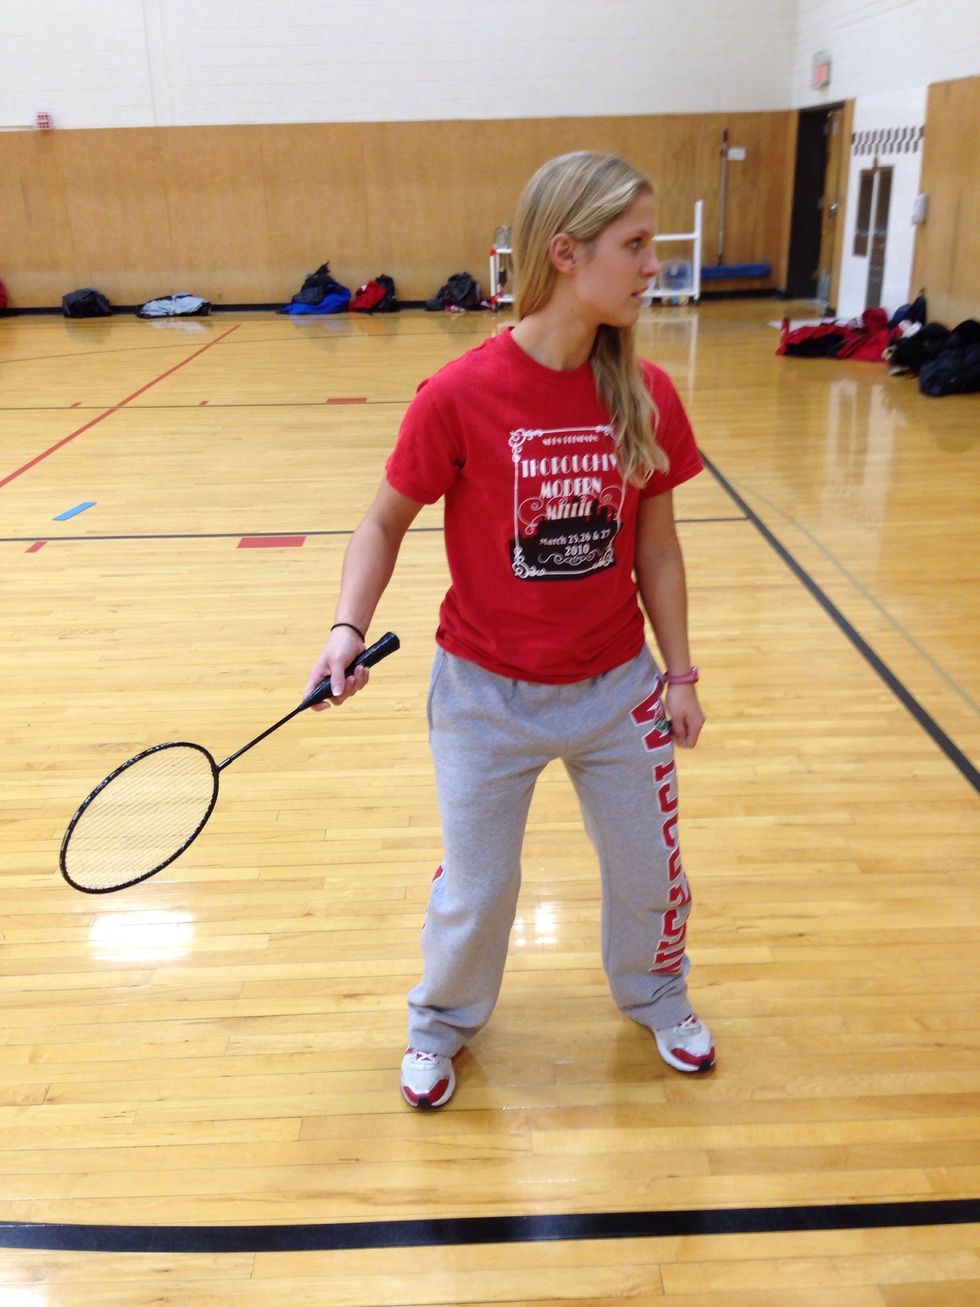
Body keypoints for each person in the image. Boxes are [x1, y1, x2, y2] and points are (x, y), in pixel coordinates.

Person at [304, 151, 714, 1110]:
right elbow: (381, 521)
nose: (655, 264)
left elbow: (657, 551)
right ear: (566, 253)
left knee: (653, 871)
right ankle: (439, 1022)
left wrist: (681, 674)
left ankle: (656, 991)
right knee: (477, 890)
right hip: (484, 695)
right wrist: (344, 626)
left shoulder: (646, 391)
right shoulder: (459, 393)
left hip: (618, 690)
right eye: (637, 244)